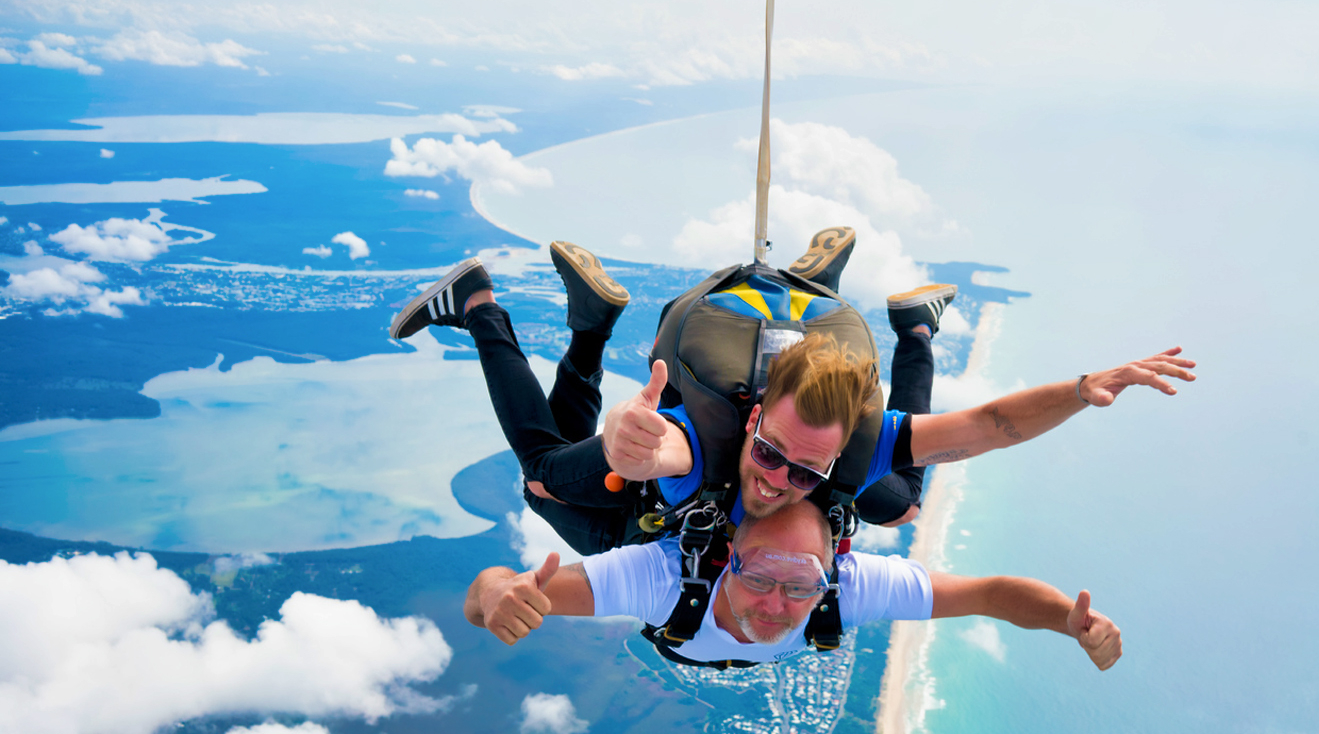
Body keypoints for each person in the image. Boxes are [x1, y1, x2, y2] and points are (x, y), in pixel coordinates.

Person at [392, 233, 1196, 553]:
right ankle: (480, 305)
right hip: (668, 468)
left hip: (747, 448)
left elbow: (988, 425)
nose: (776, 478)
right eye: (772, 453)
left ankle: (902, 325)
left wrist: (1081, 391)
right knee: (542, 476)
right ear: (752, 418)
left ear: (844, 442)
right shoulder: (706, 446)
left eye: (803, 471)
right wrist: (635, 444)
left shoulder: (855, 441)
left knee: (902, 502)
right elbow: (671, 448)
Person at [463, 498, 1123, 671]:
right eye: (760, 578)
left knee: (904, 489)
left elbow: (991, 594)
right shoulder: (662, 578)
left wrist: (1070, 620)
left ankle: (915, 331)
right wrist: (498, 595)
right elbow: (485, 592)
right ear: (727, 558)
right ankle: (501, 313)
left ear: (829, 575)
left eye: (800, 586)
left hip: (683, 635)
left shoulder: (850, 586)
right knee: (545, 480)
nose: (778, 604)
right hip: (659, 570)